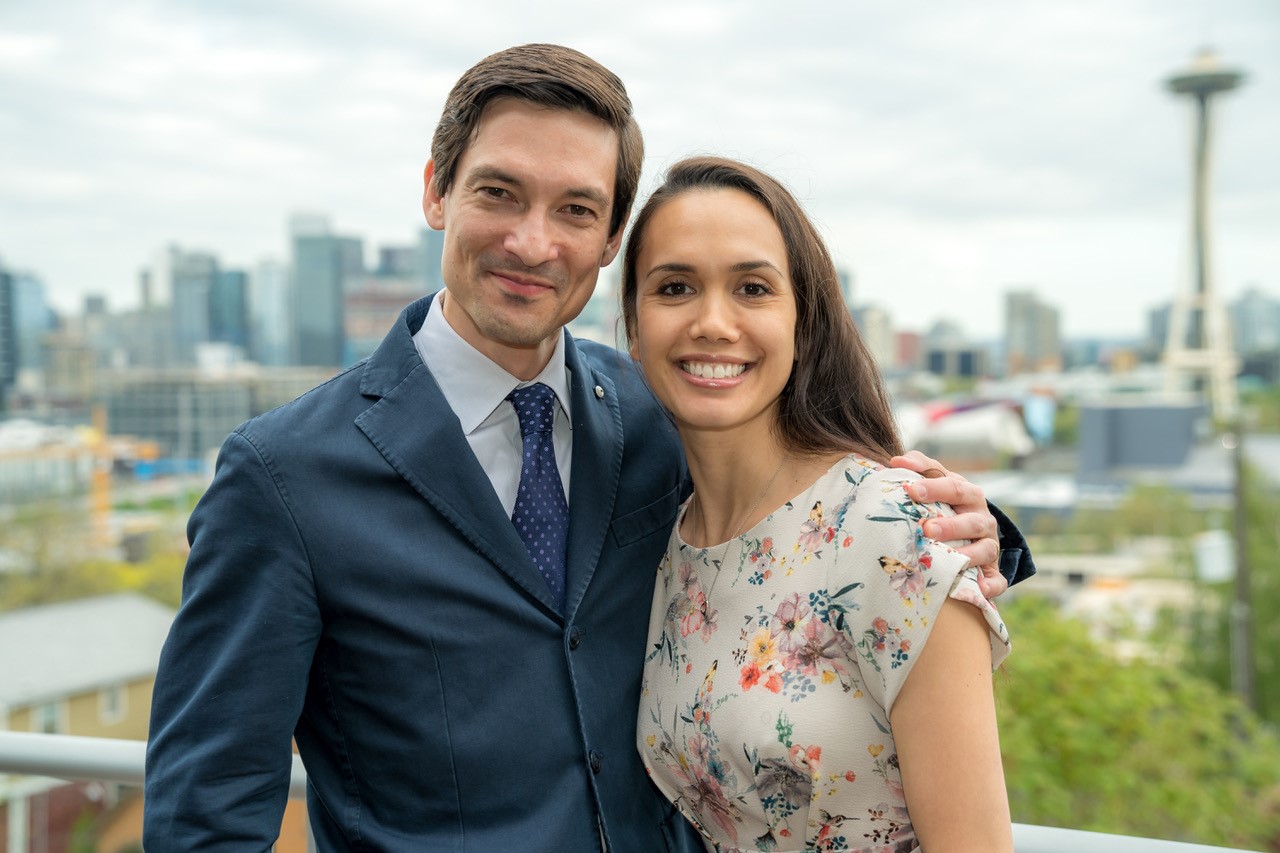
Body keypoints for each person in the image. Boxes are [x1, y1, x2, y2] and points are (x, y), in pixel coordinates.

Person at [143, 45, 1031, 851]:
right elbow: (204, 818)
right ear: (435, 191)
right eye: (498, 192)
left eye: (576, 209)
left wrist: (981, 533)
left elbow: (796, 521)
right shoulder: (283, 478)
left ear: (610, 242)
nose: (532, 242)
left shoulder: (657, 411)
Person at [624, 157, 1013, 852]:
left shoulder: (894, 529)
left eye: (752, 288)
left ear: (803, 323)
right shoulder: (667, 545)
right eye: (675, 286)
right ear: (633, 325)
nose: (713, 322)